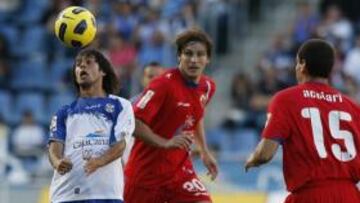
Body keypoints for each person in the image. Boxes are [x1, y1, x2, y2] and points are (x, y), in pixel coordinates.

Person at [245, 39, 360, 203]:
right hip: (350, 195)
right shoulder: (353, 107)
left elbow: (265, 154)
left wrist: (252, 159)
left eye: (297, 63)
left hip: (310, 194)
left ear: (303, 64)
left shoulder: (286, 99)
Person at [124, 28, 218, 203]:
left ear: (208, 59)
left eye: (200, 54)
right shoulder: (163, 85)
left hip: (179, 171)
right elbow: (133, 122)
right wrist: (165, 142)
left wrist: (204, 151)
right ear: (179, 57)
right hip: (145, 175)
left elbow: (196, 116)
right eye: (188, 54)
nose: (194, 60)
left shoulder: (208, 87)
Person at [48, 49, 135, 203]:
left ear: (103, 71)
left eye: (88, 63)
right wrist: (57, 162)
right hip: (66, 195)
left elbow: (120, 145)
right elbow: (54, 149)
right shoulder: (64, 112)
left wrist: (98, 161)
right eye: (78, 65)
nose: (82, 67)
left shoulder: (120, 105)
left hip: (107, 195)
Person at [122, 61, 164, 165]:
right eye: (150, 76)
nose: (155, 80)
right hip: (136, 165)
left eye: (159, 77)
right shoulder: (129, 107)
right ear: (143, 80)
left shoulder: (175, 107)